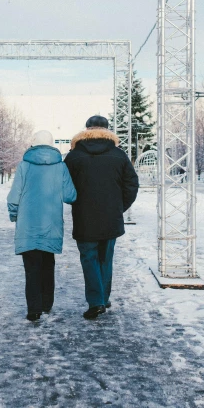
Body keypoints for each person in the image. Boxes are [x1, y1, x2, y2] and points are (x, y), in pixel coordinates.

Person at [64, 115, 139, 320]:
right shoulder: (119, 155)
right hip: (111, 217)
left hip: (84, 216)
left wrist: (76, 202)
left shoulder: (73, 156)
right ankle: (103, 298)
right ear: (108, 130)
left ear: (86, 129)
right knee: (106, 258)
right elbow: (131, 184)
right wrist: (119, 207)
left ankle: (96, 301)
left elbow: (65, 187)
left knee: (89, 258)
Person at [7, 130, 77, 322]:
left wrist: (15, 216)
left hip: (27, 227)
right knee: (48, 265)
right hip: (51, 225)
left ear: (34, 144)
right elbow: (71, 195)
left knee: (31, 269)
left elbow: (14, 198)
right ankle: (47, 304)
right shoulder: (60, 166)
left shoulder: (24, 166)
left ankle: (34, 309)